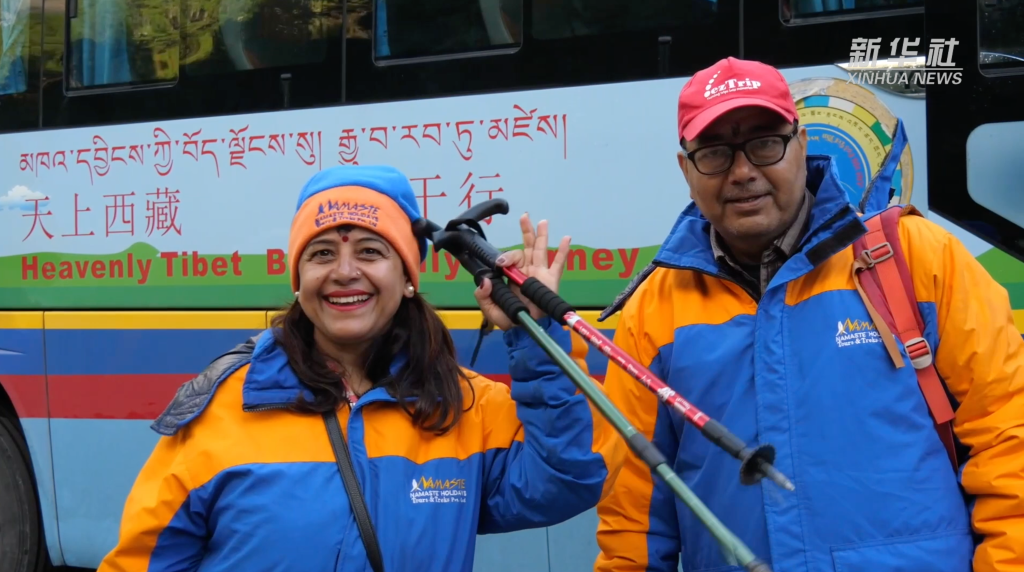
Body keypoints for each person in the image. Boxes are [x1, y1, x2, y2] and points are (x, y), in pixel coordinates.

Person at [578, 57, 1024, 572]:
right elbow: (632, 513)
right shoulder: (653, 311)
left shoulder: (916, 257)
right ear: (686, 169)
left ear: (801, 143)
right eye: (715, 152)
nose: (743, 172)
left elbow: (1008, 433)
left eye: (766, 143)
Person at [96, 164, 623, 572]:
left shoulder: (464, 406)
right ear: (298, 281)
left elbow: (568, 478)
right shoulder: (225, 407)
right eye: (322, 254)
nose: (345, 272)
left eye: (371, 251)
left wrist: (536, 338)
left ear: (409, 277)